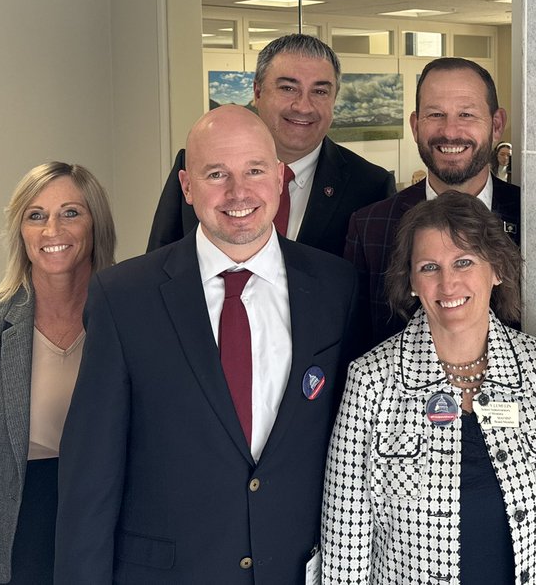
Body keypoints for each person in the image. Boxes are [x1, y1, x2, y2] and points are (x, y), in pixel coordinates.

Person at [55, 105, 360, 583]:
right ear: (187, 186)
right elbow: (89, 477)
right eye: (217, 174)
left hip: (294, 569)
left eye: (255, 170)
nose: (239, 192)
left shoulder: (335, 287)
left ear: (279, 178)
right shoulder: (124, 297)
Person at [322, 192, 536, 585]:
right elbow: (344, 543)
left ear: (497, 270)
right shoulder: (370, 381)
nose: (448, 283)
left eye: (464, 261)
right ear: (412, 281)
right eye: (429, 266)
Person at [0, 162, 116, 585]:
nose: (52, 229)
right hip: (11, 550)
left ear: (95, 224)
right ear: (21, 232)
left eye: (70, 212)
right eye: (36, 215)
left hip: (111, 541)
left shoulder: (132, 320)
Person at [147, 33, 396, 257]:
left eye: (320, 92)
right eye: (288, 88)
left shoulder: (370, 186)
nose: (303, 106)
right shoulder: (196, 165)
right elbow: (160, 265)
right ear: (257, 92)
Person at [345, 57, 521, 349]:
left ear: (497, 124)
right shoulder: (369, 228)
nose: (450, 131)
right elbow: (358, 342)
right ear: (415, 126)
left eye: (466, 114)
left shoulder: (533, 217)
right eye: (436, 115)